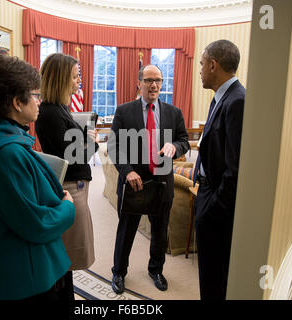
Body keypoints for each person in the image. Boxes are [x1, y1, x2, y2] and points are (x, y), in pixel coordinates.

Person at [0, 55, 76, 300]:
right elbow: (37, 223)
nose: (40, 102)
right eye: (36, 95)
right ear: (17, 103)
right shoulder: (8, 154)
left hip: (29, 271)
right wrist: (67, 207)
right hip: (28, 281)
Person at [108, 64, 189, 294]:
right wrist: (127, 171)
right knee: (126, 231)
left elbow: (183, 139)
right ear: (139, 83)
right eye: (149, 80)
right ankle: (118, 272)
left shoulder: (174, 112)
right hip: (134, 182)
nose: (154, 85)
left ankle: (156, 270)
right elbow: (114, 147)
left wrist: (175, 145)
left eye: (158, 80)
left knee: (160, 231)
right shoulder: (124, 111)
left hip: (162, 183)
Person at [35, 53, 98, 299]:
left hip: (76, 184)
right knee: (66, 256)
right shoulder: (50, 113)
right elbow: (70, 157)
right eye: (75, 76)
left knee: (68, 257)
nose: (79, 81)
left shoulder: (60, 108)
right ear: (61, 79)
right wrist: (89, 143)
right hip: (70, 187)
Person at [193, 40, 245, 300]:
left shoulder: (237, 101)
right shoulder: (220, 98)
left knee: (215, 277)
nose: (200, 70)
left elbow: (235, 169)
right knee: (209, 274)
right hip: (207, 193)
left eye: (202, 64)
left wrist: (212, 207)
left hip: (217, 205)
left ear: (213, 65)